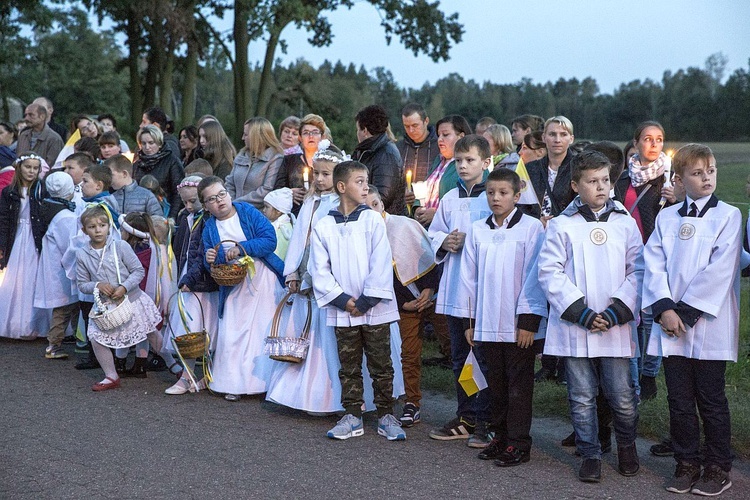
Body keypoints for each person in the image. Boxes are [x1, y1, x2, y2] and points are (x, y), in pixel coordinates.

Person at [537, 150, 642, 483]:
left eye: (606, 180)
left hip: (615, 325)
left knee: (622, 396)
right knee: (581, 396)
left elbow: (638, 270)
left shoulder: (625, 223)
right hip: (578, 326)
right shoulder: (562, 225)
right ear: (574, 185)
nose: (601, 187)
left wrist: (616, 311)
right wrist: (580, 312)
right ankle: (590, 452)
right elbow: (549, 271)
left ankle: (626, 446)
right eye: (592, 181)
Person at [643, 144, 741, 496]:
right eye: (698, 173)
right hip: (671, 325)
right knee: (680, 400)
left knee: (711, 399)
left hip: (708, 324)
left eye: (711, 171)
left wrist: (683, 312)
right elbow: (652, 264)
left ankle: (717, 467)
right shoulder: (667, 218)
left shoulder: (728, 216)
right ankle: (686, 463)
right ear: (679, 179)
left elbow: (721, 269)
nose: (707, 178)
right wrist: (665, 309)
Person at [309, 160, 404, 441]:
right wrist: (342, 300)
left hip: (374, 308)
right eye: (359, 182)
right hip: (344, 309)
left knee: (381, 363)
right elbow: (319, 268)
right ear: (342, 187)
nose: (365, 187)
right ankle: (352, 414)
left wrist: (365, 301)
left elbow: (381, 261)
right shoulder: (324, 224)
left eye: (366, 182)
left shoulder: (372, 219)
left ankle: (387, 414)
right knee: (348, 364)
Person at [460, 168, 546, 466]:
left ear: (517, 195)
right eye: (491, 193)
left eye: (503, 193)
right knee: (494, 383)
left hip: (517, 324)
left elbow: (535, 277)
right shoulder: (477, 229)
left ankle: (519, 442)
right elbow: (469, 278)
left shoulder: (531, 228)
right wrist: (469, 323)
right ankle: (500, 437)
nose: (496, 198)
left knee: (518, 386)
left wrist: (528, 321)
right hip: (485, 322)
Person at [427, 135, 492, 447]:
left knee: (483, 358)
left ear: (485, 162)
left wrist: (471, 240)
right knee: (460, 359)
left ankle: (487, 418)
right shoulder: (450, 197)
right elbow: (433, 232)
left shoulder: (492, 197)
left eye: (470, 160)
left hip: (482, 292)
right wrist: (444, 241)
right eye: (459, 161)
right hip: (454, 289)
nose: (464, 166)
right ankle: (466, 415)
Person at [200, 175, 285, 401]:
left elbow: (269, 239)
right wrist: (211, 257)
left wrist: (242, 248)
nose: (219, 201)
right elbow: (211, 259)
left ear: (228, 194)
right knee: (233, 331)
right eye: (212, 199)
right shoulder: (209, 227)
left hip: (261, 278)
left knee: (262, 328)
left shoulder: (247, 212)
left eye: (221, 194)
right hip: (233, 284)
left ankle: (265, 382)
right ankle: (234, 383)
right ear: (206, 206)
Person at [365, 185, 439, 428]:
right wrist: (402, 303)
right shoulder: (362, 237)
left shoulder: (402, 225)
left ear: (382, 205)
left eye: (375, 205)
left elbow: (428, 255)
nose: (372, 212)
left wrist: (430, 288)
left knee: (453, 347)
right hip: (404, 304)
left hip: (432, 296)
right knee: (409, 353)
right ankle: (412, 402)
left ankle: (473, 405)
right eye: (365, 209)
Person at [613, 121, 676, 401]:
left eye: (659, 139)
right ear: (636, 143)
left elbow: (680, 221)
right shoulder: (622, 179)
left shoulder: (670, 180)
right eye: (648, 139)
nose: (654, 144)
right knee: (631, 317)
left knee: (651, 319)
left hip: (656, 257)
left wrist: (676, 200)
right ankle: (631, 373)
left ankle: (649, 374)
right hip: (626, 256)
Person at [75, 205, 162, 391]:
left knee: (149, 332)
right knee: (95, 337)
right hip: (107, 305)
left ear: (109, 226)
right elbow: (82, 283)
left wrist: (124, 287)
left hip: (133, 299)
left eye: (102, 225)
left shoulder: (120, 246)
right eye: (92, 227)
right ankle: (111, 375)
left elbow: (138, 271)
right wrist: (97, 285)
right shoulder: (82, 253)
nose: (98, 230)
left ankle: (175, 364)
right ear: (84, 230)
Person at [164, 175, 220, 395]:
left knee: (202, 329)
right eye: (184, 202)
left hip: (203, 284)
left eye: (192, 202)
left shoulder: (207, 220)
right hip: (188, 279)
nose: (188, 206)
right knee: (189, 329)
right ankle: (189, 375)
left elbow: (202, 255)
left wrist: (191, 278)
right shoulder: (186, 217)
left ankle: (199, 375)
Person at [0, 153, 49, 339]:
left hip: (35, 238)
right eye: (28, 167)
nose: (31, 171)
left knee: (33, 279)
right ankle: (14, 323)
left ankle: (34, 324)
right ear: (19, 168)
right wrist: (2, 245)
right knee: (15, 279)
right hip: (17, 237)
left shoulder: (41, 190)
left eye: (35, 168)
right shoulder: (9, 192)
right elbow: (3, 219)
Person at [34, 172, 79, 359]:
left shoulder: (48, 208)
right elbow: (70, 246)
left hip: (55, 268)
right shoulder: (65, 217)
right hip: (62, 271)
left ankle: (75, 339)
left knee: (69, 307)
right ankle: (54, 344)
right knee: (64, 308)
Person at [413, 115, 472, 228]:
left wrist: (437, 214)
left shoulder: (470, 166)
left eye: (445, 135)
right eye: (438, 135)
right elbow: (424, 189)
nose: (440, 139)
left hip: (451, 230)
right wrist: (417, 208)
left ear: (461, 137)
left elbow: (468, 203)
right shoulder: (438, 161)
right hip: (429, 229)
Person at [352, 104, 403, 214]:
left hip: (384, 221)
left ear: (365, 130)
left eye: (358, 129)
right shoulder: (366, 151)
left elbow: (383, 196)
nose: (357, 134)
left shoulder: (386, 154)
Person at [225, 117, 284, 210]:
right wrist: (230, 203)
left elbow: (266, 190)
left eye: (245, 134)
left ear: (256, 137)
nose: (242, 138)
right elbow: (229, 183)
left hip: (257, 215)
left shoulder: (275, 158)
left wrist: (236, 204)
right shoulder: (241, 155)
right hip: (233, 211)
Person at [273, 113, 326, 215]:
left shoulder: (329, 162)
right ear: (300, 138)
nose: (311, 136)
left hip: (321, 214)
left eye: (315, 132)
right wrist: (289, 193)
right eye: (306, 133)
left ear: (322, 137)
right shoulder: (289, 160)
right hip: (294, 214)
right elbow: (276, 190)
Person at [132, 124, 184, 219]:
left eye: (151, 143)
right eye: (144, 143)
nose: (147, 147)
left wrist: (172, 218)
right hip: (141, 214)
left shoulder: (172, 161)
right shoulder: (137, 164)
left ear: (159, 143)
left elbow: (178, 192)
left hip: (165, 212)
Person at [397, 103, 439, 187]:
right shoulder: (398, 148)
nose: (411, 130)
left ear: (426, 121)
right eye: (407, 126)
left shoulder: (440, 147)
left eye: (415, 125)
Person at [262, 187, 294, 261]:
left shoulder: (283, 230)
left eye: (267, 207)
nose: (264, 210)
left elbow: (277, 255)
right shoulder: (277, 225)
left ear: (278, 211)